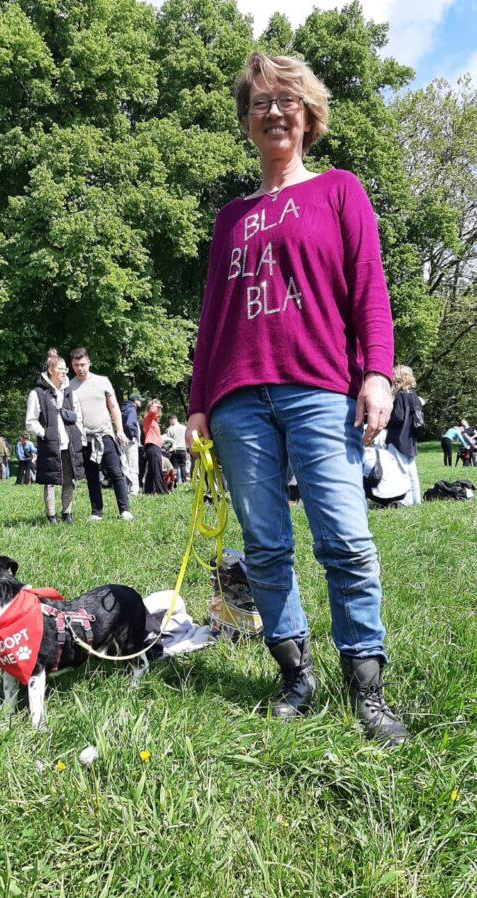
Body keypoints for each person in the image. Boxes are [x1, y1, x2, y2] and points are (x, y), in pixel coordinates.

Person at [186, 51, 409, 746]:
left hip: (319, 389)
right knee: (267, 546)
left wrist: (375, 371)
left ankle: (365, 688)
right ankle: (295, 674)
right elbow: (215, 316)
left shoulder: (340, 190)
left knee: (345, 538)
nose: (274, 112)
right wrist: (198, 401)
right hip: (237, 400)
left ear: (308, 115)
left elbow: (369, 287)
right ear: (247, 122)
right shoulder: (230, 218)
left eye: (287, 101)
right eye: (260, 103)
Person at [69, 347, 133, 522]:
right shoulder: (69, 386)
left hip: (105, 435)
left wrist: (119, 430)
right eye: (76, 365)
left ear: (89, 362)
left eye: (83, 364)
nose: (80, 368)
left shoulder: (103, 381)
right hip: (85, 438)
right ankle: (96, 512)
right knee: (91, 476)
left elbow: (114, 407)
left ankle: (124, 510)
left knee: (115, 472)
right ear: (72, 365)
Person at [26, 350, 84, 523]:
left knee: (69, 480)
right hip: (50, 445)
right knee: (50, 481)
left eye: (66, 368)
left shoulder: (69, 391)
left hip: (69, 444)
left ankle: (68, 513)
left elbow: (78, 415)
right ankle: (51, 516)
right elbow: (30, 421)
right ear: (50, 370)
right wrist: (45, 434)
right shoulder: (37, 393)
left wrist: (78, 434)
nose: (65, 371)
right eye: (61, 368)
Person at [385, 365, 424, 506]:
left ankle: (405, 500)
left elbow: (397, 417)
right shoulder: (414, 396)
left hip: (398, 437)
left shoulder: (399, 396)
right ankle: (416, 499)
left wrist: (384, 421)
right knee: (411, 470)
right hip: (410, 438)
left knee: (399, 470)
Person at [121, 392, 144, 495]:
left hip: (123, 441)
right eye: (140, 400)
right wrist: (132, 437)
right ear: (135, 401)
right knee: (133, 466)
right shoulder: (132, 410)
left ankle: (125, 489)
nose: (141, 402)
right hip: (129, 442)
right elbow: (129, 424)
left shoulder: (124, 409)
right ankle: (134, 490)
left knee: (125, 465)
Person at [143, 399, 168, 495]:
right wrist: (155, 404)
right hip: (152, 445)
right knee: (157, 469)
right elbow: (152, 411)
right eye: (155, 406)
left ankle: (148, 491)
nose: (157, 408)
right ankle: (162, 492)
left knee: (151, 469)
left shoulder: (154, 421)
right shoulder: (147, 417)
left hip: (154, 446)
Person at [164, 414, 189, 485]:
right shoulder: (184, 427)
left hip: (174, 449)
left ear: (171, 420)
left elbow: (168, 441)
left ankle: (175, 481)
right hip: (183, 449)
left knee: (174, 466)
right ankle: (184, 481)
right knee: (183, 465)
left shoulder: (170, 429)